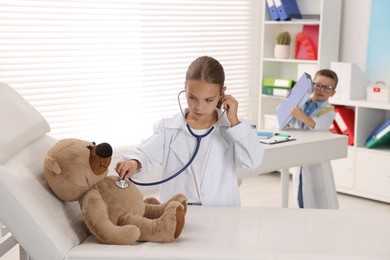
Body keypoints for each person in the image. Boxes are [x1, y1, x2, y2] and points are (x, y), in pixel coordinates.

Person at [116, 56, 263, 206]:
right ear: (185, 89)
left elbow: (253, 161)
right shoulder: (169, 129)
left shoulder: (233, 128)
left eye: (208, 100)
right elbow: (146, 154)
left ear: (222, 93)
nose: (199, 107)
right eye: (192, 97)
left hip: (221, 212)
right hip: (178, 214)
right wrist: (135, 162)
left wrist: (235, 122)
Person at [288, 69, 339, 209]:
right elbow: (286, 115)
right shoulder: (302, 103)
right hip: (301, 149)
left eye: (328, 88)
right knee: (301, 188)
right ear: (312, 85)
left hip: (317, 153)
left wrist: (300, 115)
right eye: (318, 85)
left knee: (319, 189)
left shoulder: (329, 111)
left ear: (333, 92)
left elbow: (317, 124)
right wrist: (290, 100)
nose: (321, 90)